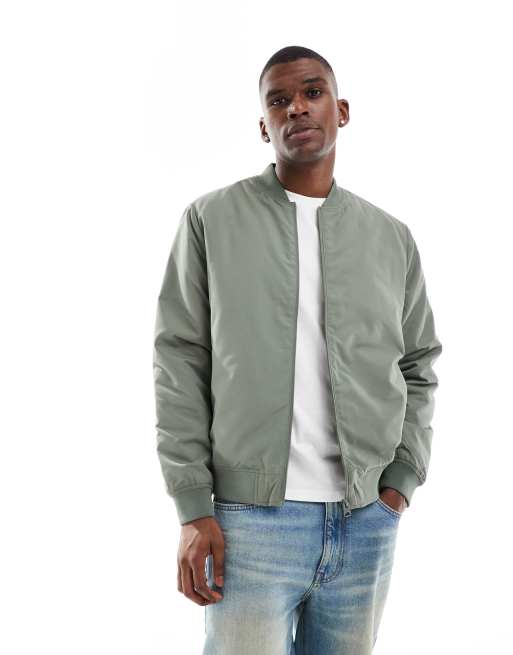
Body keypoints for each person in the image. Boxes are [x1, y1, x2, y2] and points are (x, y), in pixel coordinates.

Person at [152, 45, 442, 654]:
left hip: (365, 520)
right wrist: (192, 508)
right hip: (249, 522)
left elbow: (418, 364)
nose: (296, 109)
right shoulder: (211, 220)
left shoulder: (390, 237)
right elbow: (180, 361)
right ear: (264, 126)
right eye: (278, 100)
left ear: (341, 110)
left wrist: (400, 481)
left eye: (312, 93)